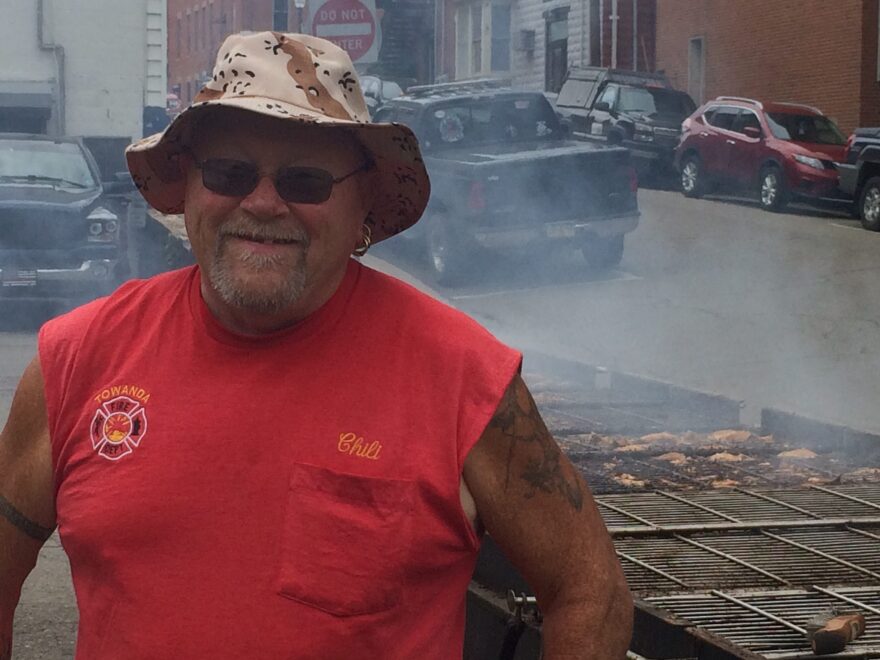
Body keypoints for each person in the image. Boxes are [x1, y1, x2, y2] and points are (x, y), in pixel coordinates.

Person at [0, 32, 631, 659]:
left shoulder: (465, 380)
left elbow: (590, 594)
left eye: (306, 181)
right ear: (187, 185)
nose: (262, 203)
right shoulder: (76, 361)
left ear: (362, 205)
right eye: (229, 172)